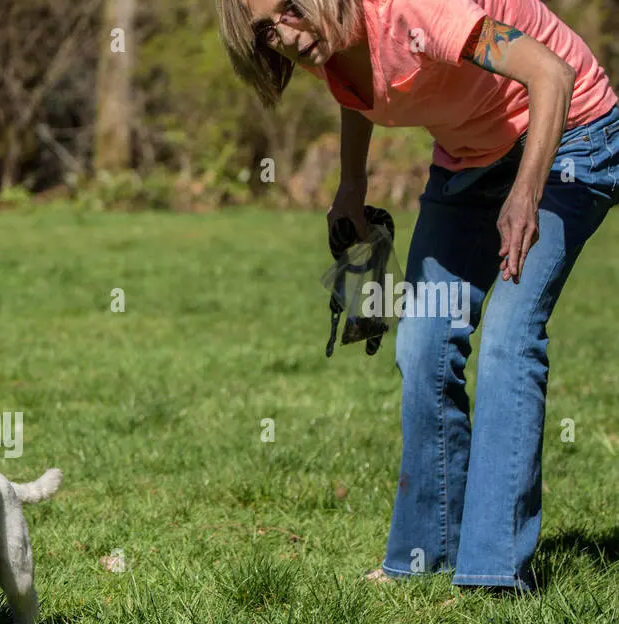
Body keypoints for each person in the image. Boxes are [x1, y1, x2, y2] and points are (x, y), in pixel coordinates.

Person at [217, 0, 619, 590]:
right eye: (265, 29)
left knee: (509, 333)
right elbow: (359, 89)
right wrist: (351, 186)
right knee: (425, 345)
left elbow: (550, 74)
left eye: (291, 9)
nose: (285, 35)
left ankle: (492, 572)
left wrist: (527, 195)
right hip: (469, 159)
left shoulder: (412, 9)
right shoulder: (326, 45)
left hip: (569, 139)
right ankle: (422, 557)